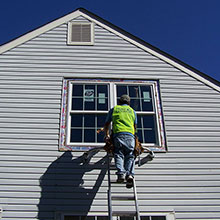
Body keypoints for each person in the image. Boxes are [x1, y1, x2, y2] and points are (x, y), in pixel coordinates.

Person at [104, 94, 137, 188]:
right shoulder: (132, 111)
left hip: (118, 134)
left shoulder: (114, 109)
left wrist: (107, 135)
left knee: (119, 154)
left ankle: (121, 174)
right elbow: (135, 126)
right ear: (129, 102)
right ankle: (129, 174)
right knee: (130, 155)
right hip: (130, 135)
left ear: (119, 101)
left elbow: (106, 124)